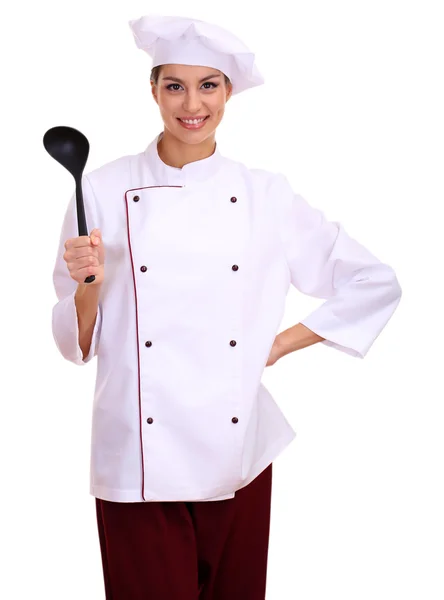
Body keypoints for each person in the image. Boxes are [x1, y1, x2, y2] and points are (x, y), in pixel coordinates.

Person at [51, 14, 402, 600]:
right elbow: (75, 345)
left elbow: (373, 281)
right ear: (154, 90)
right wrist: (88, 281)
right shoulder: (101, 189)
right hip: (136, 456)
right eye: (175, 86)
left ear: (228, 92)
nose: (192, 104)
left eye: (208, 85)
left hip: (236, 453)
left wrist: (278, 343)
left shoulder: (266, 194)